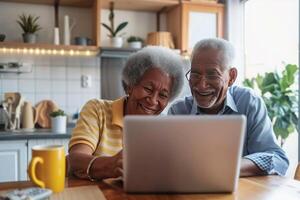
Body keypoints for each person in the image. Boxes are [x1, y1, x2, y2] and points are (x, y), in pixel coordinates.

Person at [168, 38, 289, 177]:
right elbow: (167, 163)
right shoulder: (178, 112)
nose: (201, 85)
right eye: (195, 74)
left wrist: (226, 168)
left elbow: (278, 159)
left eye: (212, 75)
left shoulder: (248, 102)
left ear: (231, 77)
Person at [68, 46, 185, 180]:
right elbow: (74, 160)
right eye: (148, 88)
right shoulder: (97, 110)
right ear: (130, 85)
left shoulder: (165, 129)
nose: (153, 101)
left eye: (163, 95)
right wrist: (110, 166)